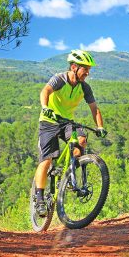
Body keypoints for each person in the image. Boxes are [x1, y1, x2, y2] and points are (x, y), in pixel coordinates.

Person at [34, 49, 107, 217]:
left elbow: (94, 109)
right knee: (46, 160)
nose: (88, 73)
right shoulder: (60, 79)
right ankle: (39, 199)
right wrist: (45, 108)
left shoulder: (85, 88)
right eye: (85, 69)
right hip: (49, 121)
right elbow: (45, 91)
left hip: (67, 122)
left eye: (89, 69)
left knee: (81, 140)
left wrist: (100, 127)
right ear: (74, 67)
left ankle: (69, 174)